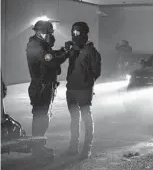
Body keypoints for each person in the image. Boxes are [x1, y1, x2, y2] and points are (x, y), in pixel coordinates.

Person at [26, 20, 69, 159]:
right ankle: (37, 151)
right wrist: (66, 54)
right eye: (49, 33)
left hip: (44, 86)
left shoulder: (40, 45)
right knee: (40, 119)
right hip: (40, 87)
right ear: (40, 33)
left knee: (43, 118)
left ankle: (40, 146)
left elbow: (51, 54)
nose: (51, 36)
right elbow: (51, 61)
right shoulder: (35, 46)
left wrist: (63, 50)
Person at [65, 22, 101, 159]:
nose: (75, 36)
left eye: (77, 33)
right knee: (74, 119)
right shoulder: (72, 50)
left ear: (85, 34)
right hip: (72, 89)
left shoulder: (92, 52)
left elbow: (96, 72)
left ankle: (87, 149)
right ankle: (73, 147)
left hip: (84, 90)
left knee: (86, 118)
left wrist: (86, 82)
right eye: (73, 33)